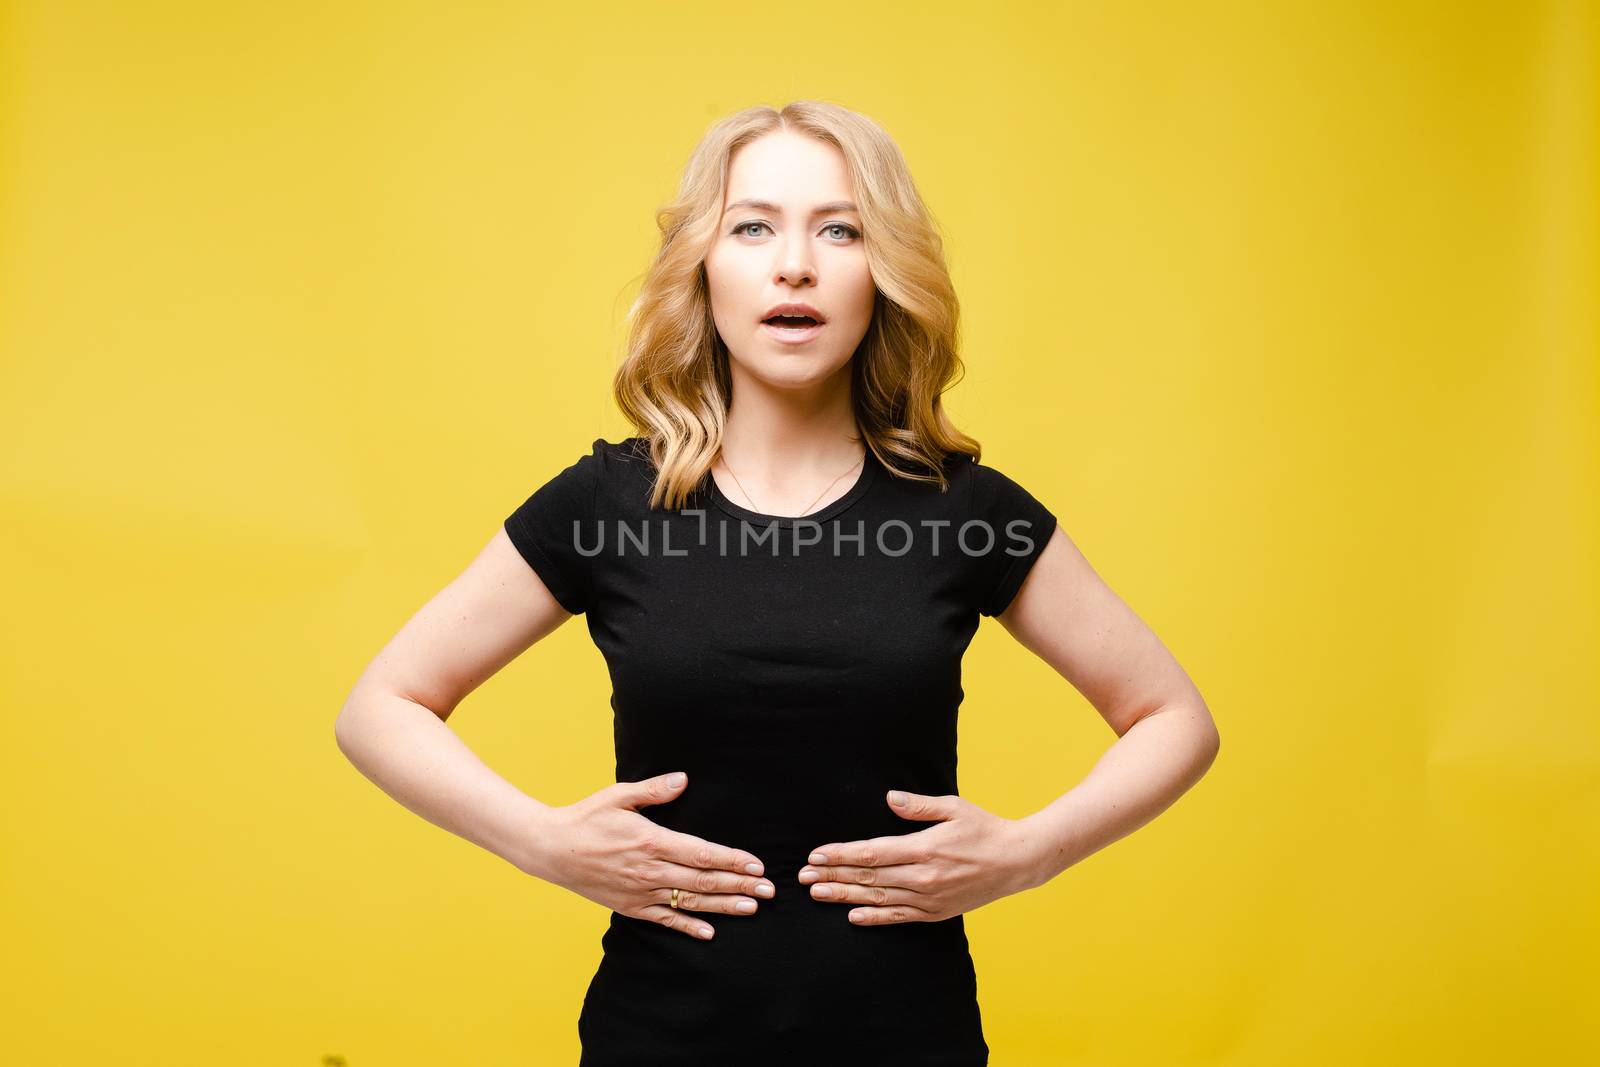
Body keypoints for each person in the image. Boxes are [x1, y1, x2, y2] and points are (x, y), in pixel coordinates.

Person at [335, 100, 1221, 1065]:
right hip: (659, 1038)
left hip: (907, 1040)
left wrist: (1028, 853)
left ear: (883, 272)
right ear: (703, 268)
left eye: (839, 229)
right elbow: (380, 706)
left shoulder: (966, 508)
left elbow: (1174, 718)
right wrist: (542, 841)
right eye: (752, 226)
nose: (794, 262)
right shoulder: (611, 501)